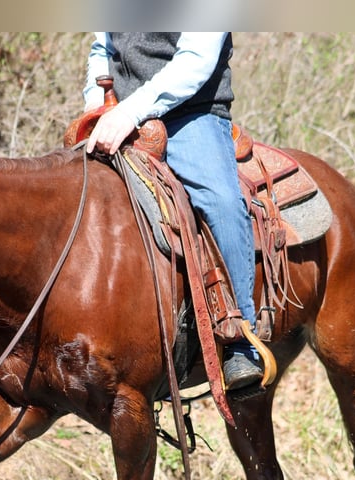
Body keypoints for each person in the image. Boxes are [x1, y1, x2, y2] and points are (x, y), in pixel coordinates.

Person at [83, 32, 262, 390]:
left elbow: (196, 61)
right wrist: (96, 109)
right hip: (117, 113)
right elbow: (101, 48)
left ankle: (241, 342)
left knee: (220, 201)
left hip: (190, 115)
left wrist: (129, 111)